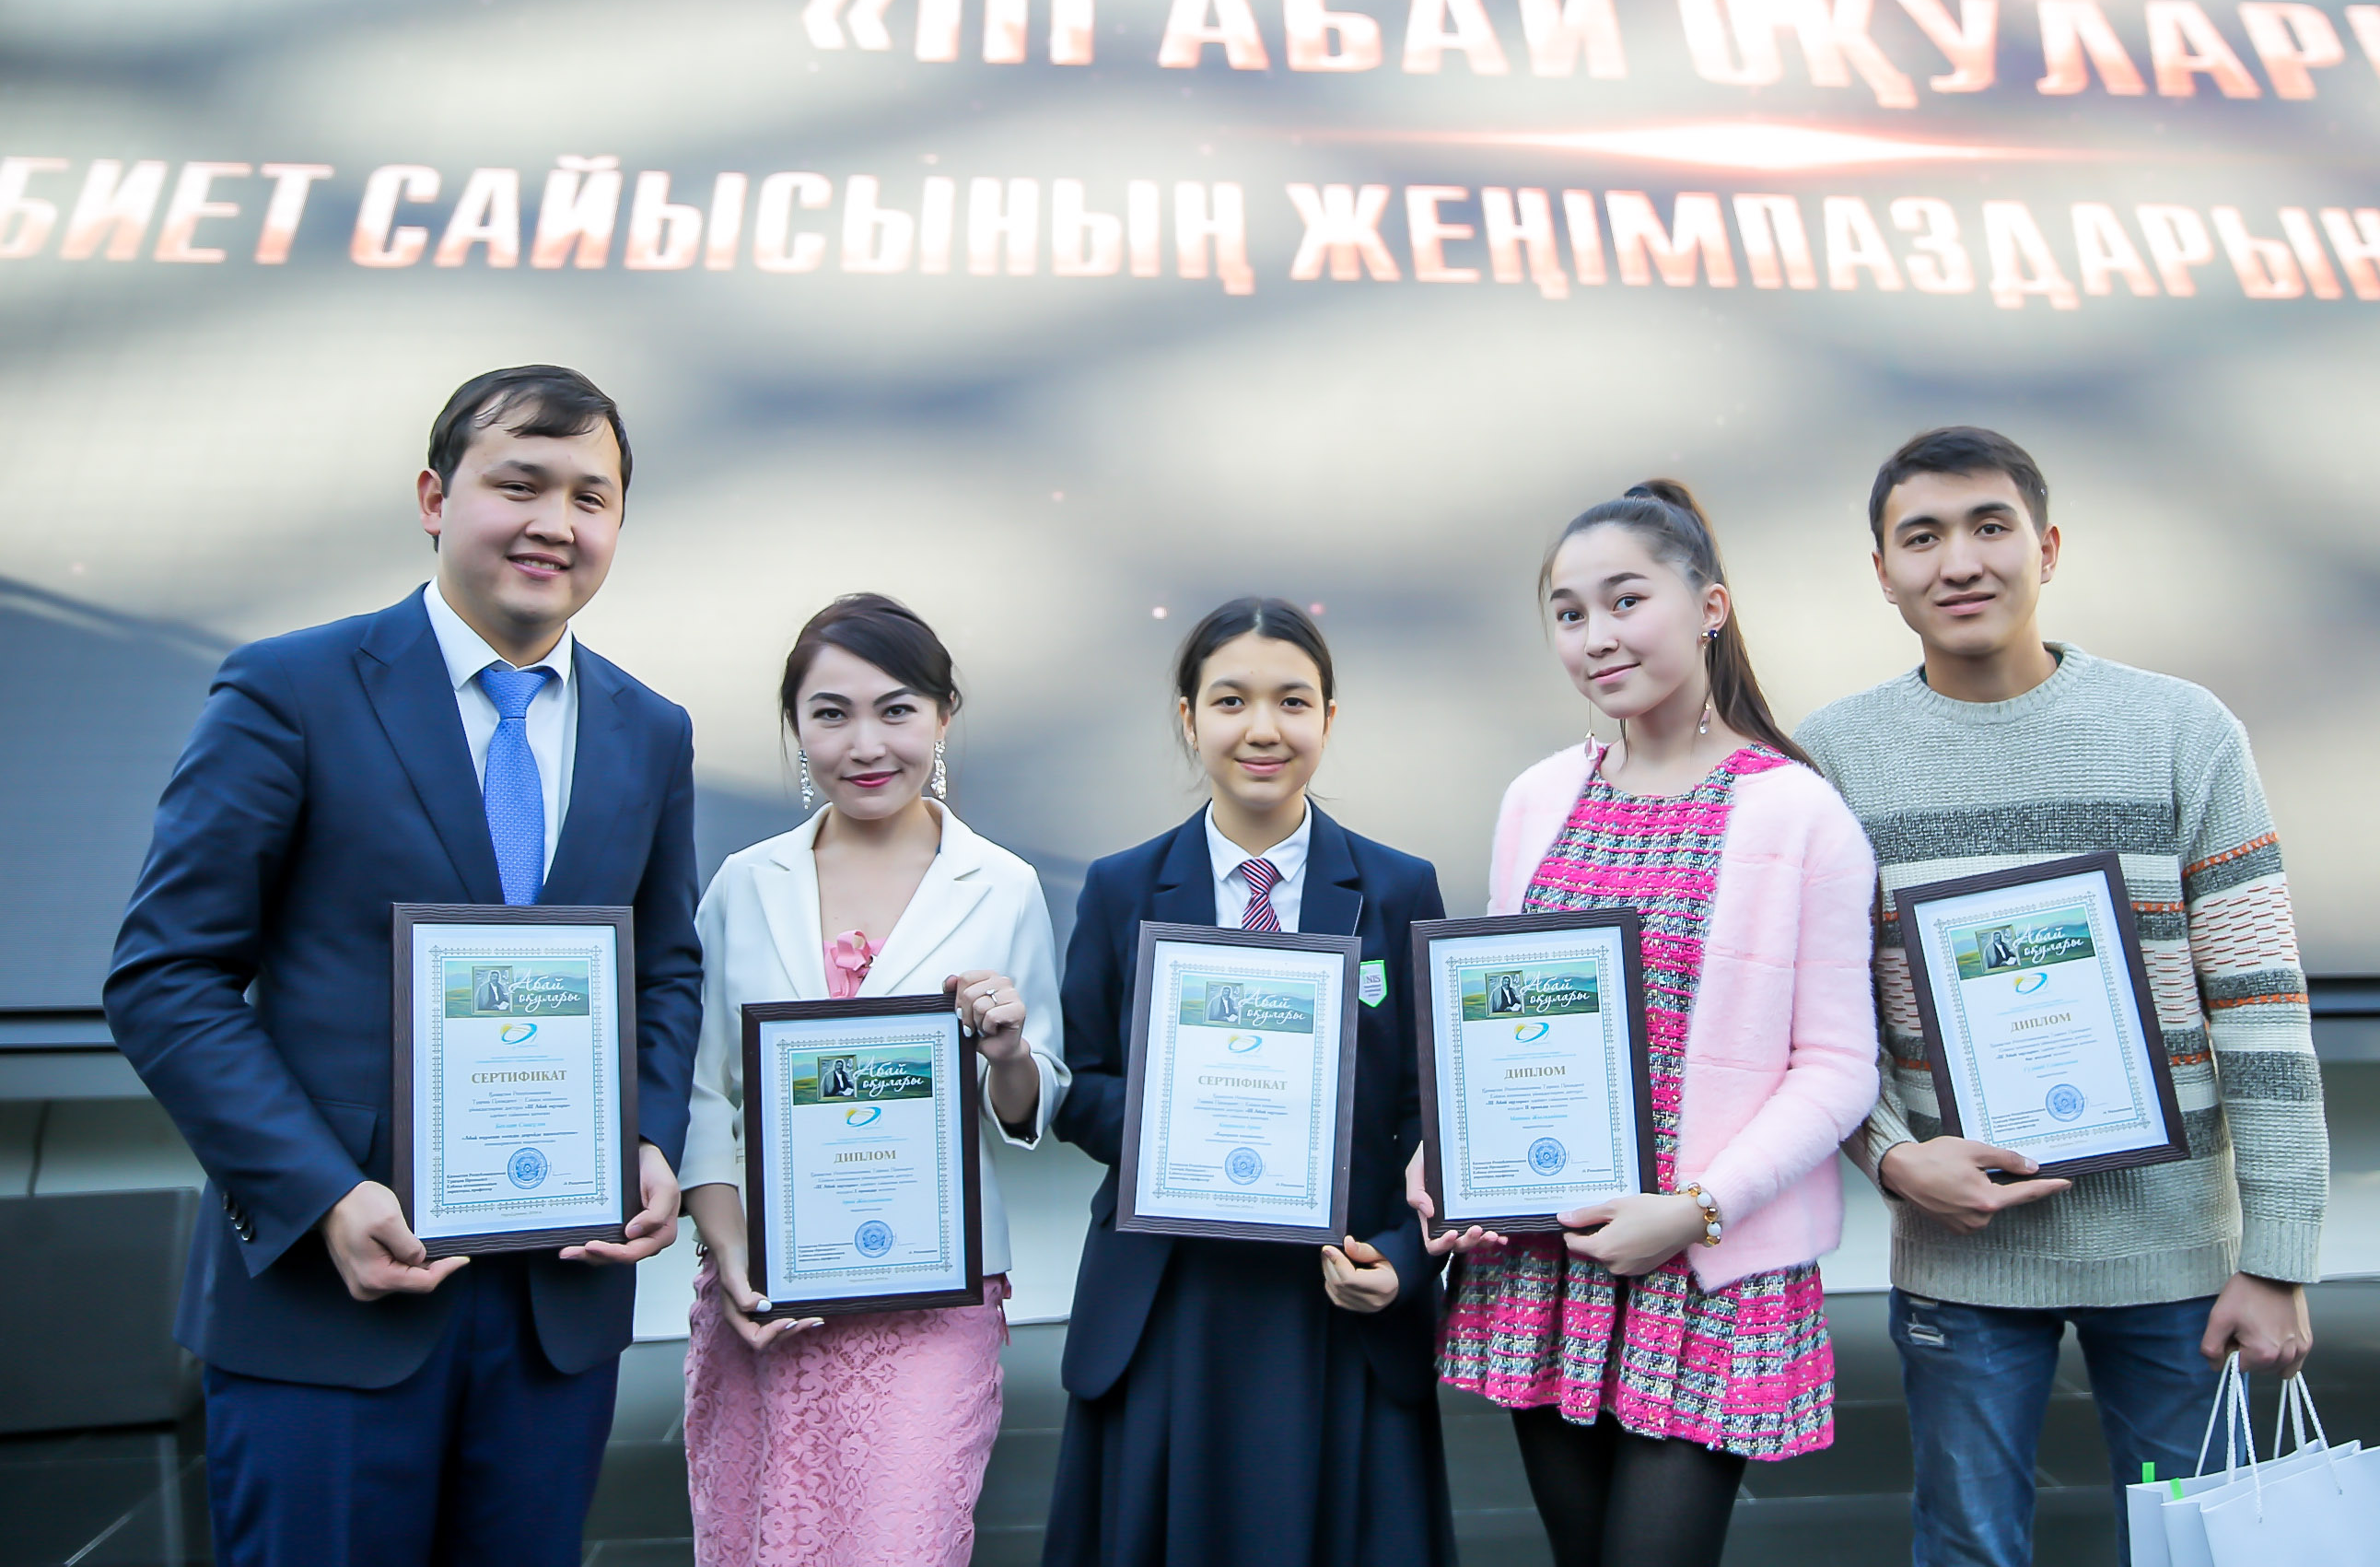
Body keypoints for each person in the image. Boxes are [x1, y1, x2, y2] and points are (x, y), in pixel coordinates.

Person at [102, 366, 703, 1566]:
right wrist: (323, 1194)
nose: (554, 522)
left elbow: (666, 970)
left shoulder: (652, 729)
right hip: (328, 1309)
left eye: (590, 497)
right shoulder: (290, 689)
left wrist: (647, 1137)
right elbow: (166, 976)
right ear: (435, 498)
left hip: (554, 1318)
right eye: (518, 484)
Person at [1793, 427, 2328, 1567]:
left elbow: (2262, 1007)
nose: (1959, 562)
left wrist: (2279, 1256)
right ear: (1882, 572)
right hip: (1963, 1260)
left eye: (1990, 527)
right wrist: (1894, 1159)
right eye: (1922, 538)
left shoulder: (2182, 732)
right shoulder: (1832, 760)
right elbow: (1817, 1020)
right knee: (1969, 1547)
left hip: (2176, 1257)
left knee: (2193, 1549)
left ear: (2046, 547)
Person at [1417, 480, 1881, 1567]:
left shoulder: (1797, 810)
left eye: (1626, 601)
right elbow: (1499, 1018)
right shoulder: (1539, 797)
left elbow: (1838, 1067)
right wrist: (1447, 1156)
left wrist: (1695, 1210)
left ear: (1709, 607)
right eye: (1569, 613)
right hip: (1551, 1259)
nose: (1596, 637)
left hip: (1702, 1264)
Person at [1044, 598, 1454, 1567]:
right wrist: (1183, 1124)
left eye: (1292, 702)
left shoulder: (1398, 887)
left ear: (1329, 720)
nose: (1263, 729)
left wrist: (1405, 1259)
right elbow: (1081, 1090)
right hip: (1171, 1299)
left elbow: (1433, 1114)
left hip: (1336, 1296)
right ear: (1189, 719)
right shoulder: (1121, 888)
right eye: (1231, 701)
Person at [679, 593, 1068, 1567]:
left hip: (934, 1300)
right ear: (795, 726)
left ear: (942, 718)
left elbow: (1029, 1106)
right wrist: (733, 1256)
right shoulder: (743, 885)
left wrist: (1009, 1054)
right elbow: (704, 1095)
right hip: (769, 1292)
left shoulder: (1002, 885)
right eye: (831, 713)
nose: (865, 745)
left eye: (896, 710)